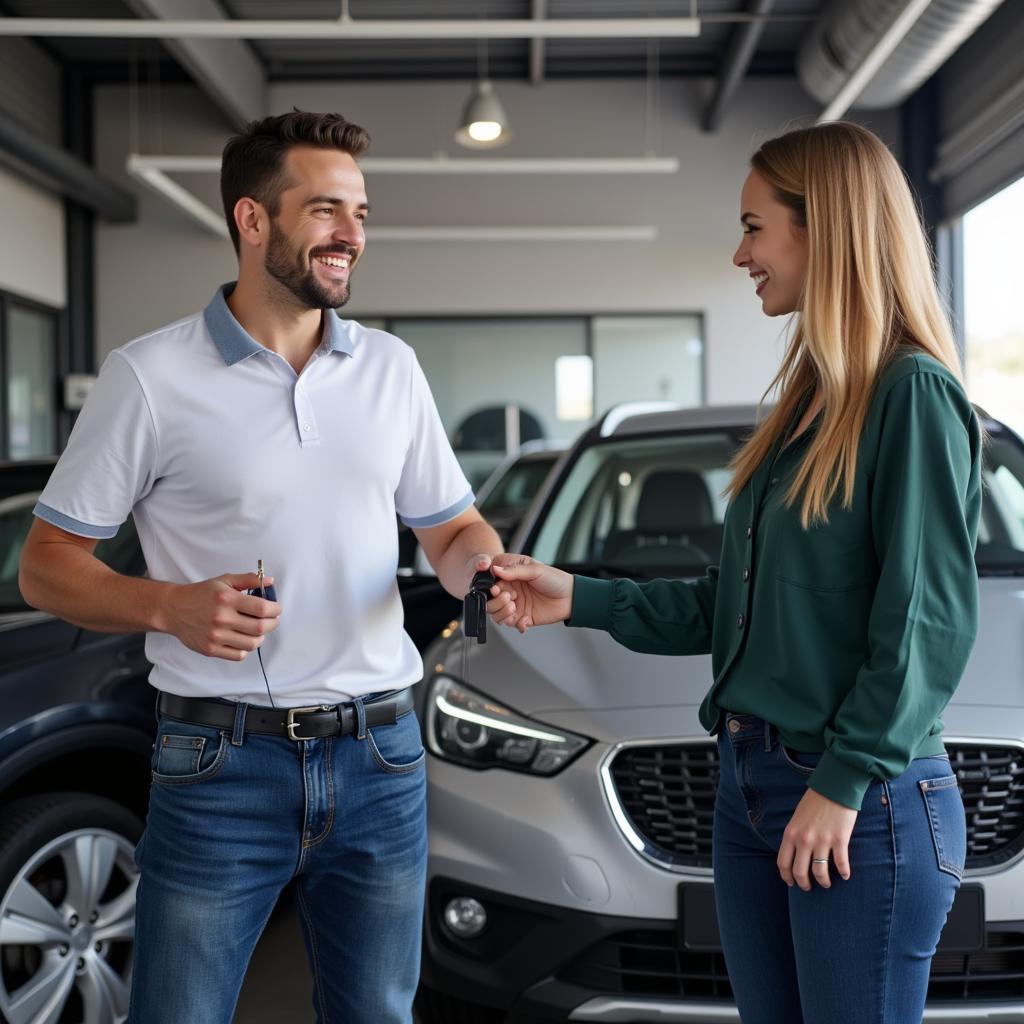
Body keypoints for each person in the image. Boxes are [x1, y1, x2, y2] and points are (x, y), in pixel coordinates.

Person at [486, 121, 981, 1024]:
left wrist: (841, 781)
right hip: (749, 787)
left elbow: (927, 624)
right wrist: (579, 597)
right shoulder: (808, 403)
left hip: (856, 802)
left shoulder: (912, 394)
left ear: (821, 229)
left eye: (755, 227)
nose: (739, 252)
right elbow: (737, 609)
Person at [19, 110, 503, 1024]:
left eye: (360, 212)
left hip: (381, 758)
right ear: (252, 220)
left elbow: (449, 528)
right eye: (326, 210)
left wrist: (484, 568)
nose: (353, 235)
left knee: (377, 1016)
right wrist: (168, 606)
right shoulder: (150, 377)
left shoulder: (392, 369)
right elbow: (47, 565)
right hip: (220, 763)